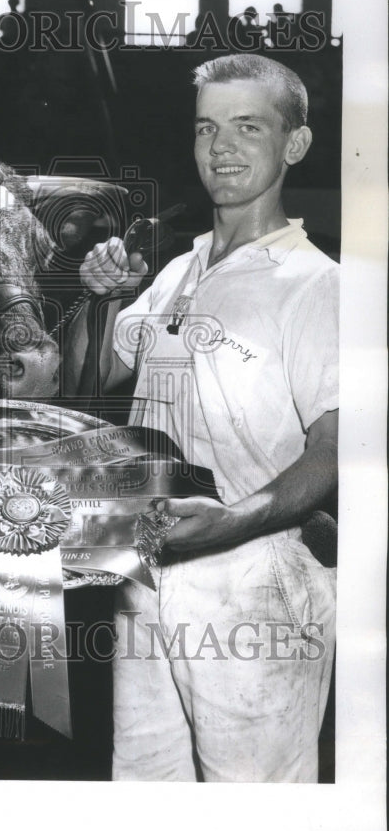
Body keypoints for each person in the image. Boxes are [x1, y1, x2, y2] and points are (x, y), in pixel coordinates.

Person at [78, 53, 338, 782]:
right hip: (146, 563)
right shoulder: (175, 270)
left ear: (295, 144)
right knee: (146, 794)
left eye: (248, 126)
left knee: (250, 811)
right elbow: (94, 377)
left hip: (256, 574)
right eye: (206, 128)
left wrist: (235, 521)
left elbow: (337, 449)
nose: (221, 147)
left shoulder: (319, 284)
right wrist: (100, 296)